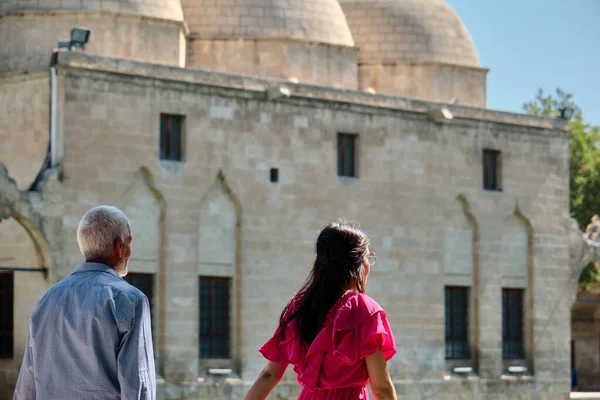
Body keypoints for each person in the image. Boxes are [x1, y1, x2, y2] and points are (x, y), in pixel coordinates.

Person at [14, 205, 155, 400]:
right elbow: (138, 388)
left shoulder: (47, 299)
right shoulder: (129, 300)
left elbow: (26, 385)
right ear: (119, 246)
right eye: (128, 242)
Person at [245, 220, 397, 400]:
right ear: (358, 264)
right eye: (368, 257)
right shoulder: (363, 311)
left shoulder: (299, 307)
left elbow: (268, 376)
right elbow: (382, 389)